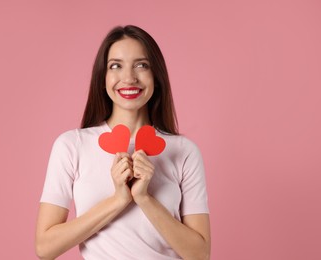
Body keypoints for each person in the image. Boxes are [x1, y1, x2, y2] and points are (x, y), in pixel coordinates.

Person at [35, 25, 211, 260]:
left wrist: (145, 198)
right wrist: (118, 200)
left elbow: (200, 254)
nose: (129, 78)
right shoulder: (72, 146)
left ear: (156, 77)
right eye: (115, 66)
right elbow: (45, 248)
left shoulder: (183, 151)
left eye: (141, 65)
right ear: (103, 78)